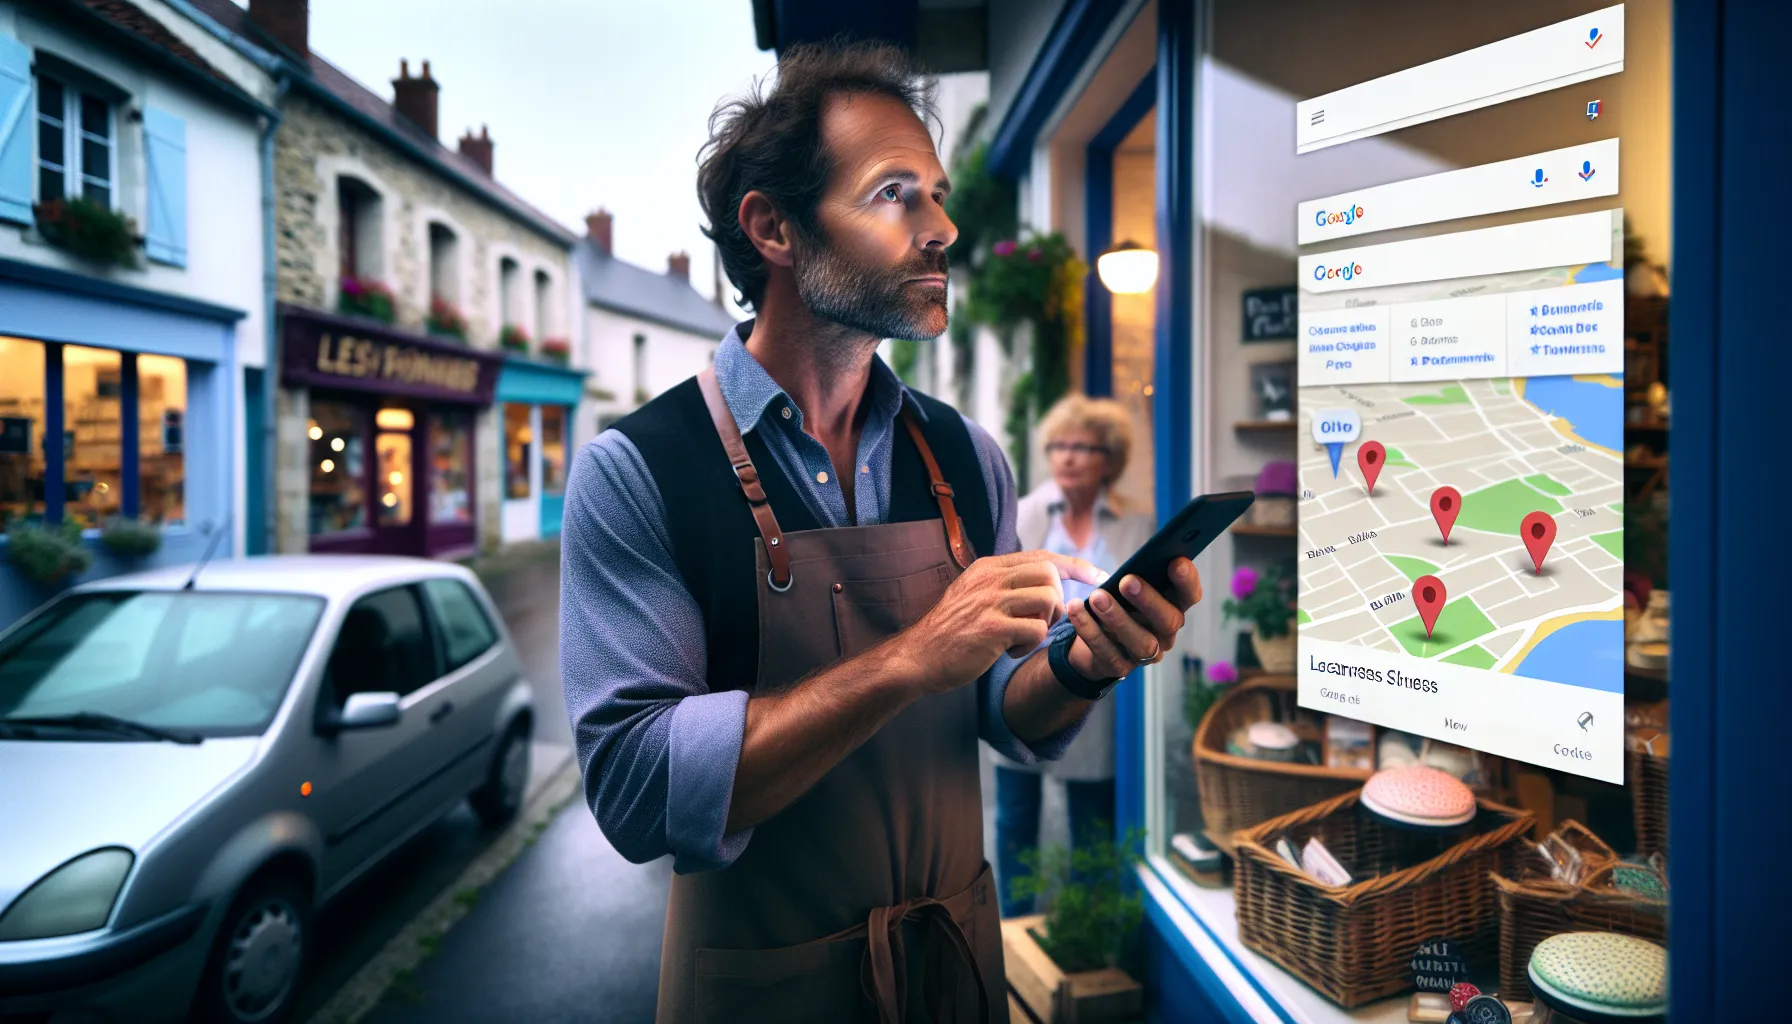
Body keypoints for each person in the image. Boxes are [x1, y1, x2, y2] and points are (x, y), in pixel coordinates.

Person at [559, 42, 1203, 1024]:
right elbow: (638, 786)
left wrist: (1084, 664)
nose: (942, 228)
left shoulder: (964, 455)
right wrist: (910, 657)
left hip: (953, 964)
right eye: (895, 194)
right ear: (772, 227)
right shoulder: (639, 471)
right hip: (757, 987)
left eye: (937, 195)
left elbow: (996, 704)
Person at [991, 395, 1155, 918]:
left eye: (1082, 448)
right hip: (1020, 679)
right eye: (1058, 446)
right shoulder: (1024, 512)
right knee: (1015, 816)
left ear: (1110, 458)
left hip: (1095, 693)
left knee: (1091, 821)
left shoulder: (1136, 526)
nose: (1066, 457)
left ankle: (1090, 928)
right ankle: (1014, 928)